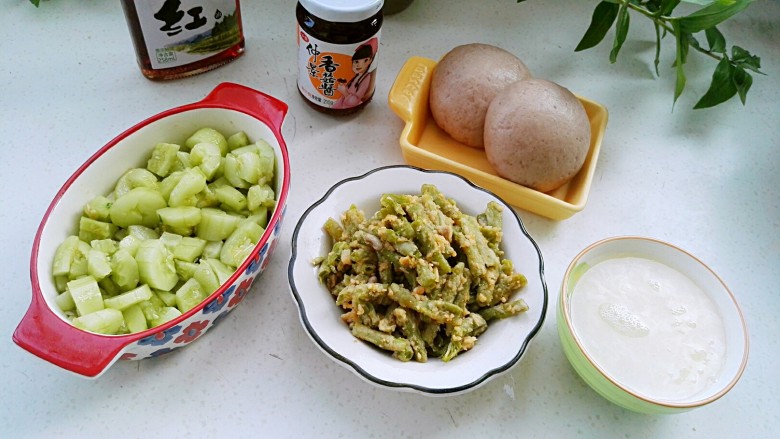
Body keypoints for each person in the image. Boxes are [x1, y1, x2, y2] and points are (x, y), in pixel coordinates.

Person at [332, 38, 378, 109]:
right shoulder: (356, 77)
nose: (358, 65)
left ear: (370, 60)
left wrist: (345, 92)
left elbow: (355, 102)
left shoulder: (366, 78)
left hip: (351, 106)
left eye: (365, 60)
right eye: (356, 62)